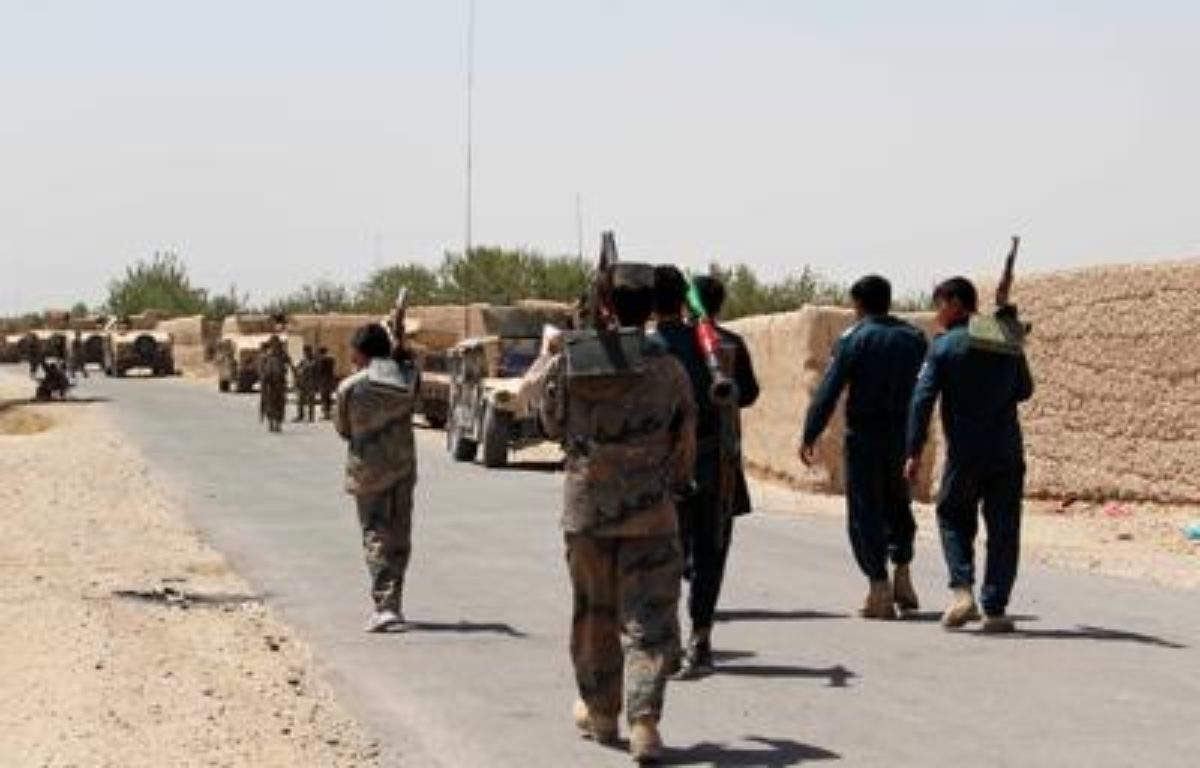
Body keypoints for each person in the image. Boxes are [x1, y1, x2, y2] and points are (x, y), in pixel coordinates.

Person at [539, 263, 696, 764]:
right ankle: (644, 722)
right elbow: (684, 442)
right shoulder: (669, 367)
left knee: (594, 613)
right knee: (648, 618)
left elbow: (550, 423)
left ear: (605, 306)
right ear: (651, 308)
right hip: (651, 513)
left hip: (588, 511)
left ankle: (601, 712)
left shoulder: (573, 359)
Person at [905, 277, 1034, 633]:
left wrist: (913, 450)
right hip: (1006, 450)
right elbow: (1025, 389)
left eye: (939, 305)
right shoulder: (1003, 336)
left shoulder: (944, 346)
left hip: (965, 453)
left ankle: (963, 592)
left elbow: (922, 400)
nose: (937, 314)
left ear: (955, 303)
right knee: (1004, 529)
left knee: (952, 517)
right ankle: (995, 608)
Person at [799, 275, 928, 620]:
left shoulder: (854, 338)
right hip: (902, 436)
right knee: (899, 504)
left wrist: (810, 433)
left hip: (865, 438)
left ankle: (879, 588)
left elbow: (828, 391)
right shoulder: (914, 338)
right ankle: (903, 572)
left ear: (858, 304)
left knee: (865, 510)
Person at [652, 268, 760, 678]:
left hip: (660, 466)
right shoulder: (725, 343)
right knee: (710, 552)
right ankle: (700, 637)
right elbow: (747, 393)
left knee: (662, 554)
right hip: (714, 463)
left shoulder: (644, 348)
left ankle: (668, 638)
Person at [335, 323, 419, 633]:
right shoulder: (407, 378)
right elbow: (414, 388)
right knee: (399, 535)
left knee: (375, 535)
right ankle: (393, 603)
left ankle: (385, 608)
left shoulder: (350, 387)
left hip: (368, 471)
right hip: (403, 467)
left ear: (360, 352)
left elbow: (344, 429)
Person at [258, 336, 289, 433]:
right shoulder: (266, 355)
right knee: (270, 403)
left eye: (276, 343)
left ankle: (278, 423)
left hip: (279, 382)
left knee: (279, 403)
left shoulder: (283, 355)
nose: (275, 345)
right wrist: (263, 380)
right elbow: (262, 369)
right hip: (269, 382)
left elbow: (289, 365)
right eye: (273, 343)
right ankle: (271, 422)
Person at [293, 345, 317, 423]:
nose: (306, 354)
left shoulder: (314, 360)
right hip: (302, 383)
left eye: (307, 352)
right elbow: (297, 369)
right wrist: (297, 372)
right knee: (300, 400)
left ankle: (311, 417)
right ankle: (300, 415)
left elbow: (314, 369)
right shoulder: (303, 361)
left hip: (311, 383)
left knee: (310, 400)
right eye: (305, 352)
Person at [315, 346, 337, 420]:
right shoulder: (331, 359)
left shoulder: (321, 360)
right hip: (330, 380)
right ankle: (329, 413)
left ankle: (326, 414)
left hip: (323, 380)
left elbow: (319, 371)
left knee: (324, 397)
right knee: (328, 397)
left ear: (320, 352)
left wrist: (317, 381)